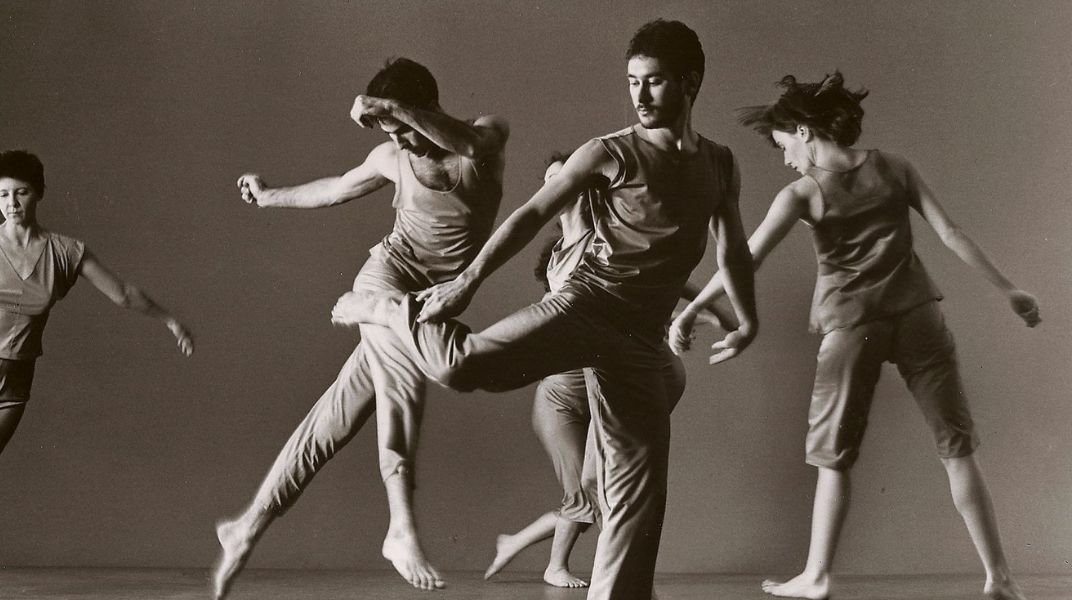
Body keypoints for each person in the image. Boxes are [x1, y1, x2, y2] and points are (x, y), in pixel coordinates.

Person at [332, 20, 758, 600]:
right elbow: (530, 216)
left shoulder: (719, 164)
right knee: (463, 365)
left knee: (637, 504)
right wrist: (467, 284)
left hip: (640, 339)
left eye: (654, 82)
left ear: (691, 82)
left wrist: (748, 317)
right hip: (585, 306)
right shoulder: (610, 152)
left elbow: (731, 246)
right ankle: (385, 309)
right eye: (632, 81)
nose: (640, 95)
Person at [670, 72, 1038, 600]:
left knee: (831, 458)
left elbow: (745, 259)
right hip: (918, 317)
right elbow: (951, 233)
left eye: (783, 146)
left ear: (803, 130)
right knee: (957, 450)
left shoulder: (802, 193)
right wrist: (1010, 291)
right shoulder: (894, 165)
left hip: (852, 326)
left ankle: (817, 576)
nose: (785, 159)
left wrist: (690, 311)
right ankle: (1000, 578)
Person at [212, 57, 508, 597]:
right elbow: (336, 188)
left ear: (428, 111)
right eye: (393, 134)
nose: (405, 144)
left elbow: (466, 144)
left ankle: (250, 521)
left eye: (407, 129)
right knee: (404, 381)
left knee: (336, 415)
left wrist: (393, 109)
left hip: (430, 301)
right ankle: (400, 526)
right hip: (384, 280)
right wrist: (268, 195)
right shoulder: (390, 156)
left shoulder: (484, 136)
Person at [0, 150, 194, 600]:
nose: (12, 202)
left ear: (38, 194)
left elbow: (123, 293)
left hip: (10, 388)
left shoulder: (65, 253)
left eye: (21, 193)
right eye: (3, 194)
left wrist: (169, 319)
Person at [484, 153, 738, 589]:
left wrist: (706, 315)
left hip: (622, 376)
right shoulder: (557, 260)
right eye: (550, 180)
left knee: (605, 486)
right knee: (595, 489)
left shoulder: (608, 244)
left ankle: (605, 574)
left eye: (566, 177)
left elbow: (671, 280)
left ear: (587, 187)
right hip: (571, 392)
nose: (557, 185)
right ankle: (599, 573)